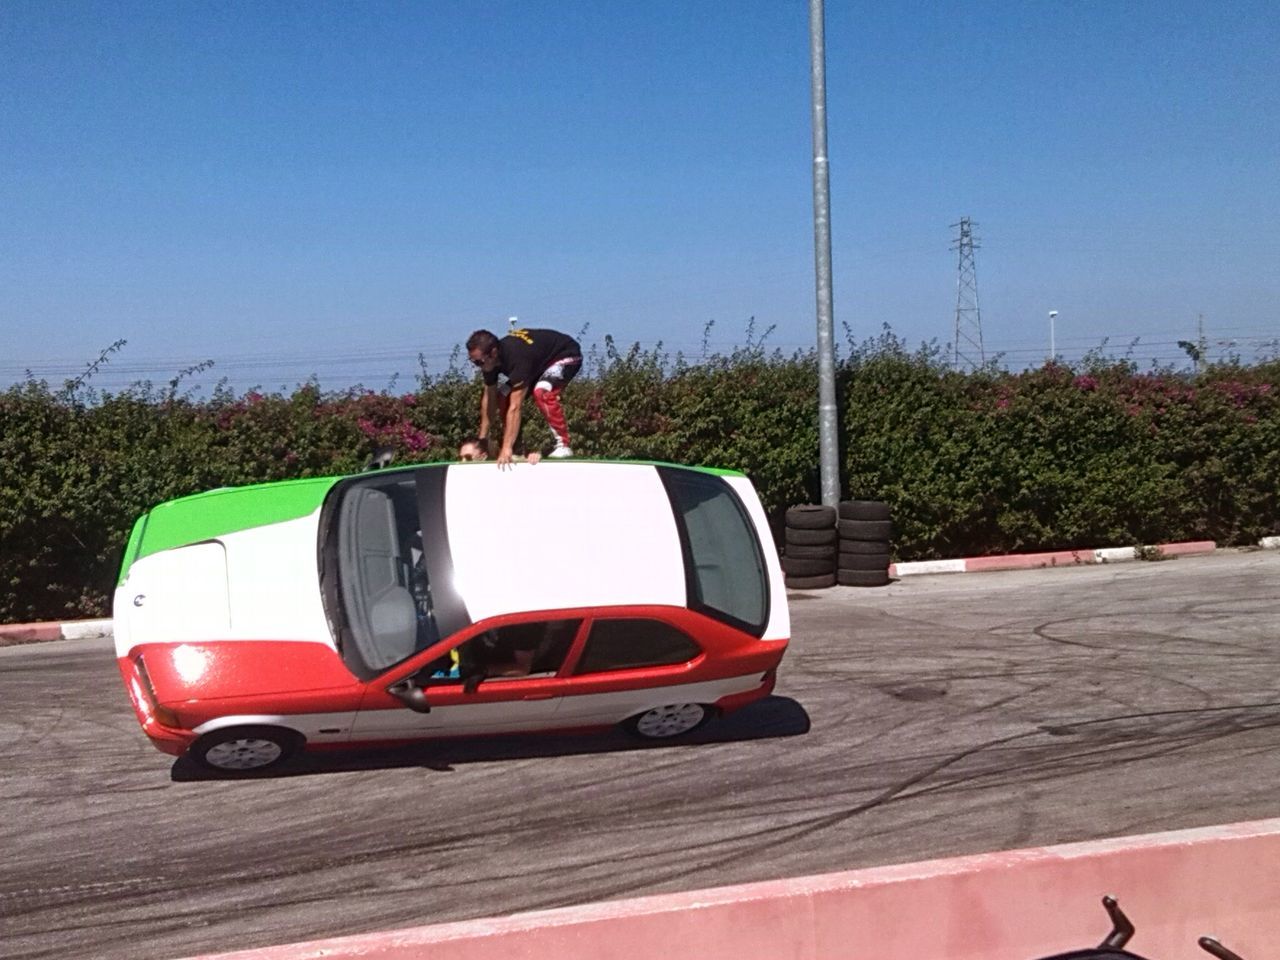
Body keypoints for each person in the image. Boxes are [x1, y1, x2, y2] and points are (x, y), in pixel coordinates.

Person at [466, 327, 582, 467]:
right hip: (538, 364)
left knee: (542, 392)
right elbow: (490, 400)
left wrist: (505, 448)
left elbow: (515, 407)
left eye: (479, 362)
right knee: (502, 396)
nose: (477, 367)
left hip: (565, 354)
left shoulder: (517, 359)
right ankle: (517, 449)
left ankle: (563, 445)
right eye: (473, 362)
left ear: (493, 353)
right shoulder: (488, 363)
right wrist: (483, 439)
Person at [457, 435, 540, 465]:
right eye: (460, 458)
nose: (462, 462)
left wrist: (534, 457)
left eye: (468, 458)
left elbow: (526, 459)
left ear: (483, 456)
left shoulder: (503, 464)